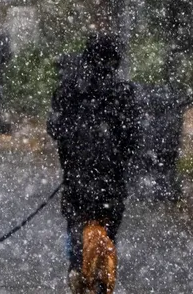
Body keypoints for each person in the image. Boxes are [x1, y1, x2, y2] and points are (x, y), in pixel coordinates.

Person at [47, 34, 139, 293]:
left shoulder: (69, 90)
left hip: (77, 177)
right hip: (112, 180)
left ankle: (76, 268)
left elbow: (54, 128)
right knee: (108, 231)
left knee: (76, 226)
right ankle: (104, 274)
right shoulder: (124, 93)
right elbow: (133, 139)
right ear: (115, 61)